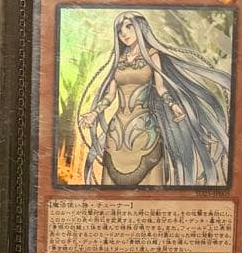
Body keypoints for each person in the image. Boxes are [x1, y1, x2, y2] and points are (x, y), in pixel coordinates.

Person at [77, 11, 230, 186]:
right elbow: (110, 95)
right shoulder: (119, 60)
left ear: (140, 28)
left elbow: (161, 88)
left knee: (150, 187)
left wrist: (174, 106)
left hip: (145, 132)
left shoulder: (152, 55)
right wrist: (94, 113)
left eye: (129, 27)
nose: (124, 33)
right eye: (120, 30)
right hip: (116, 133)